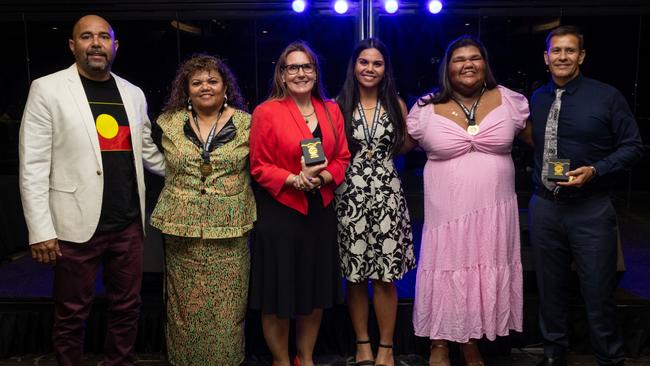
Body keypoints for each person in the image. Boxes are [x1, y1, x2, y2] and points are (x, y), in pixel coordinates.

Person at [18, 15, 164, 366]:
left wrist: (196, 168)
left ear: (115, 46)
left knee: (127, 307)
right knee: (71, 314)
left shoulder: (133, 93)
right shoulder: (47, 88)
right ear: (73, 45)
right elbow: (33, 165)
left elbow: (146, 153)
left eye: (103, 37)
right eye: (87, 36)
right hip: (72, 226)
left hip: (127, 223)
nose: (96, 43)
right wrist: (41, 231)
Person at [406, 35, 529, 366]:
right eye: (459, 59)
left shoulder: (509, 101)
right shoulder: (425, 108)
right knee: (447, 269)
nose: (468, 64)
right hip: (447, 211)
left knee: (480, 269)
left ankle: (471, 341)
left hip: (493, 208)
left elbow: (545, 143)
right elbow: (393, 149)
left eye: (475, 57)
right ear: (448, 68)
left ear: (485, 64)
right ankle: (440, 343)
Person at [529, 26, 643, 366]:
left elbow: (633, 147)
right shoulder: (538, 97)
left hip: (590, 208)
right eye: (556, 51)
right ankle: (553, 352)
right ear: (546, 57)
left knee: (598, 288)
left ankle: (609, 357)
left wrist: (596, 169)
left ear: (581, 56)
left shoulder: (606, 96)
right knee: (550, 288)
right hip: (545, 206)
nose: (562, 57)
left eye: (570, 51)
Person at [248, 41, 351, 366]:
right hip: (281, 212)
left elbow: (342, 157)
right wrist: (294, 179)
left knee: (314, 289)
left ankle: (304, 358)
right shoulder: (266, 112)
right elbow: (259, 165)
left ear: (315, 72)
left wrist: (321, 179)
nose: (300, 73)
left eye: (306, 66)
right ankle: (281, 360)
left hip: (319, 212)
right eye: (292, 67)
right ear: (281, 74)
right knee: (278, 293)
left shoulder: (330, 110)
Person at [149, 55, 255, 365]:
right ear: (186, 89)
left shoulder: (248, 123)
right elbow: (154, 162)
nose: (204, 87)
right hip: (181, 230)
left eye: (212, 81)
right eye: (196, 82)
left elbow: (261, 165)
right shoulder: (167, 124)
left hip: (231, 230)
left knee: (227, 308)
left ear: (225, 87)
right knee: (185, 308)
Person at [335, 38, 416, 366]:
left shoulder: (396, 104)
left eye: (377, 63)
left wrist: (380, 162)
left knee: (385, 276)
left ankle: (386, 347)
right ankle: (363, 344)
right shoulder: (338, 104)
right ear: (354, 66)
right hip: (349, 197)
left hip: (387, 196)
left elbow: (408, 143)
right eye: (364, 62)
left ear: (385, 69)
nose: (370, 69)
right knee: (355, 277)